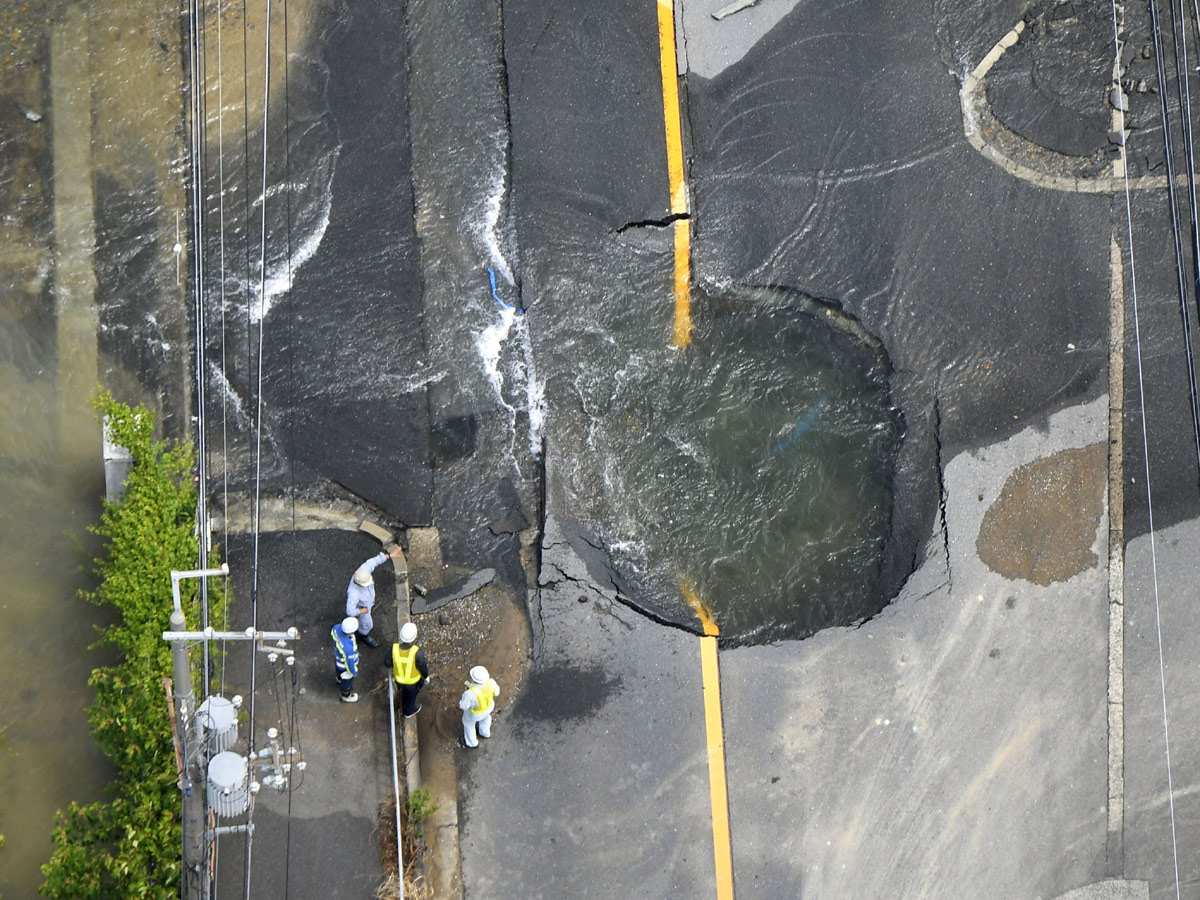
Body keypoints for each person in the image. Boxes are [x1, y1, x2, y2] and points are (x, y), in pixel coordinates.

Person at [346, 545, 403, 648]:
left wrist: (389, 555)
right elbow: (349, 610)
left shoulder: (363, 571)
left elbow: (372, 562)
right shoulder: (353, 593)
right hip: (364, 608)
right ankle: (364, 635)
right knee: (368, 624)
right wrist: (361, 611)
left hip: (368, 603)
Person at [390, 621, 429, 718]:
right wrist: (426, 676)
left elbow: (387, 662)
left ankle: (403, 702)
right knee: (411, 697)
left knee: (403, 692)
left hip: (398, 680)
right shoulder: (417, 652)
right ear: (414, 637)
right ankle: (409, 711)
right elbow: (422, 666)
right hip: (412, 683)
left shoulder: (394, 649)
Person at [458, 665, 500, 749]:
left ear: (473, 679)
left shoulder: (470, 693)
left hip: (475, 714)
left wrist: (464, 694)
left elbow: (464, 706)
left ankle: (471, 743)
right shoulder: (491, 682)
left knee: (468, 724)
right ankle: (485, 732)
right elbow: (497, 693)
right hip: (489, 708)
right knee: (486, 719)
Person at [332, 616, 360, 703]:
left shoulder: (336, 628)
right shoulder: (348, 648)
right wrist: (354, 672)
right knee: (347, 681)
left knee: (339, 672)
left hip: (338, 660)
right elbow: (349, 663)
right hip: (345, 667)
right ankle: (346, 695)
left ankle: (338, 679)